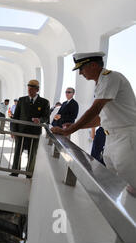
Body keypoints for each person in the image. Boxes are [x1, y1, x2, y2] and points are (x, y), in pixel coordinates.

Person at [51, 52, 136, 196]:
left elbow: (95, 109)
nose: (80, 73)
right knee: (113, 182)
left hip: (126, 137)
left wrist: (70, 130)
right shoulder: (101, 84)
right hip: (111, 139)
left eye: (81, 68)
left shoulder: (111, 78)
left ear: (93, 65)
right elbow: (100, 119)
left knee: (132, 183)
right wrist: (72, 128)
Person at [10, 79, 50, 178]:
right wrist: (13, 130)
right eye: (28, 87)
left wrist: (40, 120)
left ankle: (29, 173)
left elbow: (46, 117)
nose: (29, 90)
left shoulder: (44, 102)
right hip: (21, 132)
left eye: (32, 88)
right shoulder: (22, 100)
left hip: (34, 133)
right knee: (17, 152)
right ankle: (15, 172)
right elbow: (16, 117)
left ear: (37, 89)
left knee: (32, 155)